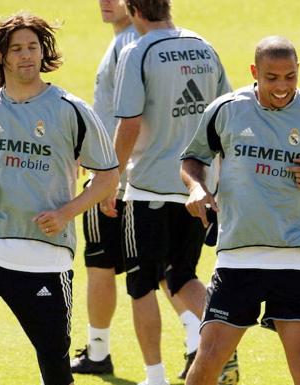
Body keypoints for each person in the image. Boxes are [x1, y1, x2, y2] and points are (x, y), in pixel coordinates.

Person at [0, 13, 119, 385]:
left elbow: (108, 177)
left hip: (45, 259)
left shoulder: (71, 110)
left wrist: (67, 212)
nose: (26, 56)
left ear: (43, 52)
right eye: (16, 48)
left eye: (32, 47)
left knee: (55, 369)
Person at [180, 36, 300, 385]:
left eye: (290, 77)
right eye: (272, 77)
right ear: (254, 72)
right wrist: (197, 188)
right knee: (209, 357)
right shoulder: (227, 110)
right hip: (238, 254)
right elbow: (193, 158)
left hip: (295, 254)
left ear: (298, 72)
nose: (282, 86)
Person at [109, 1, 232, 384]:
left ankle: (155, 375)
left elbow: (128, 124)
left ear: (133, 9)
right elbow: (226, 117)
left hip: (149, 188)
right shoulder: (204, 46)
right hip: (198, 186)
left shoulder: (137, 51)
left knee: (141, 283)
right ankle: (225, 346)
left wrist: (110, 180)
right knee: (183, 276)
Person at [69, 0, 138, 375]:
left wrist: (106, 175)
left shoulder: (128, 44)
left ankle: (97, 352)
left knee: (100, 263)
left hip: (115, 176)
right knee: (166, 270)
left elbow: (126, 119)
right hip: (138, 175)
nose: (106, 2)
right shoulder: (133, 40)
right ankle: (200, 341)